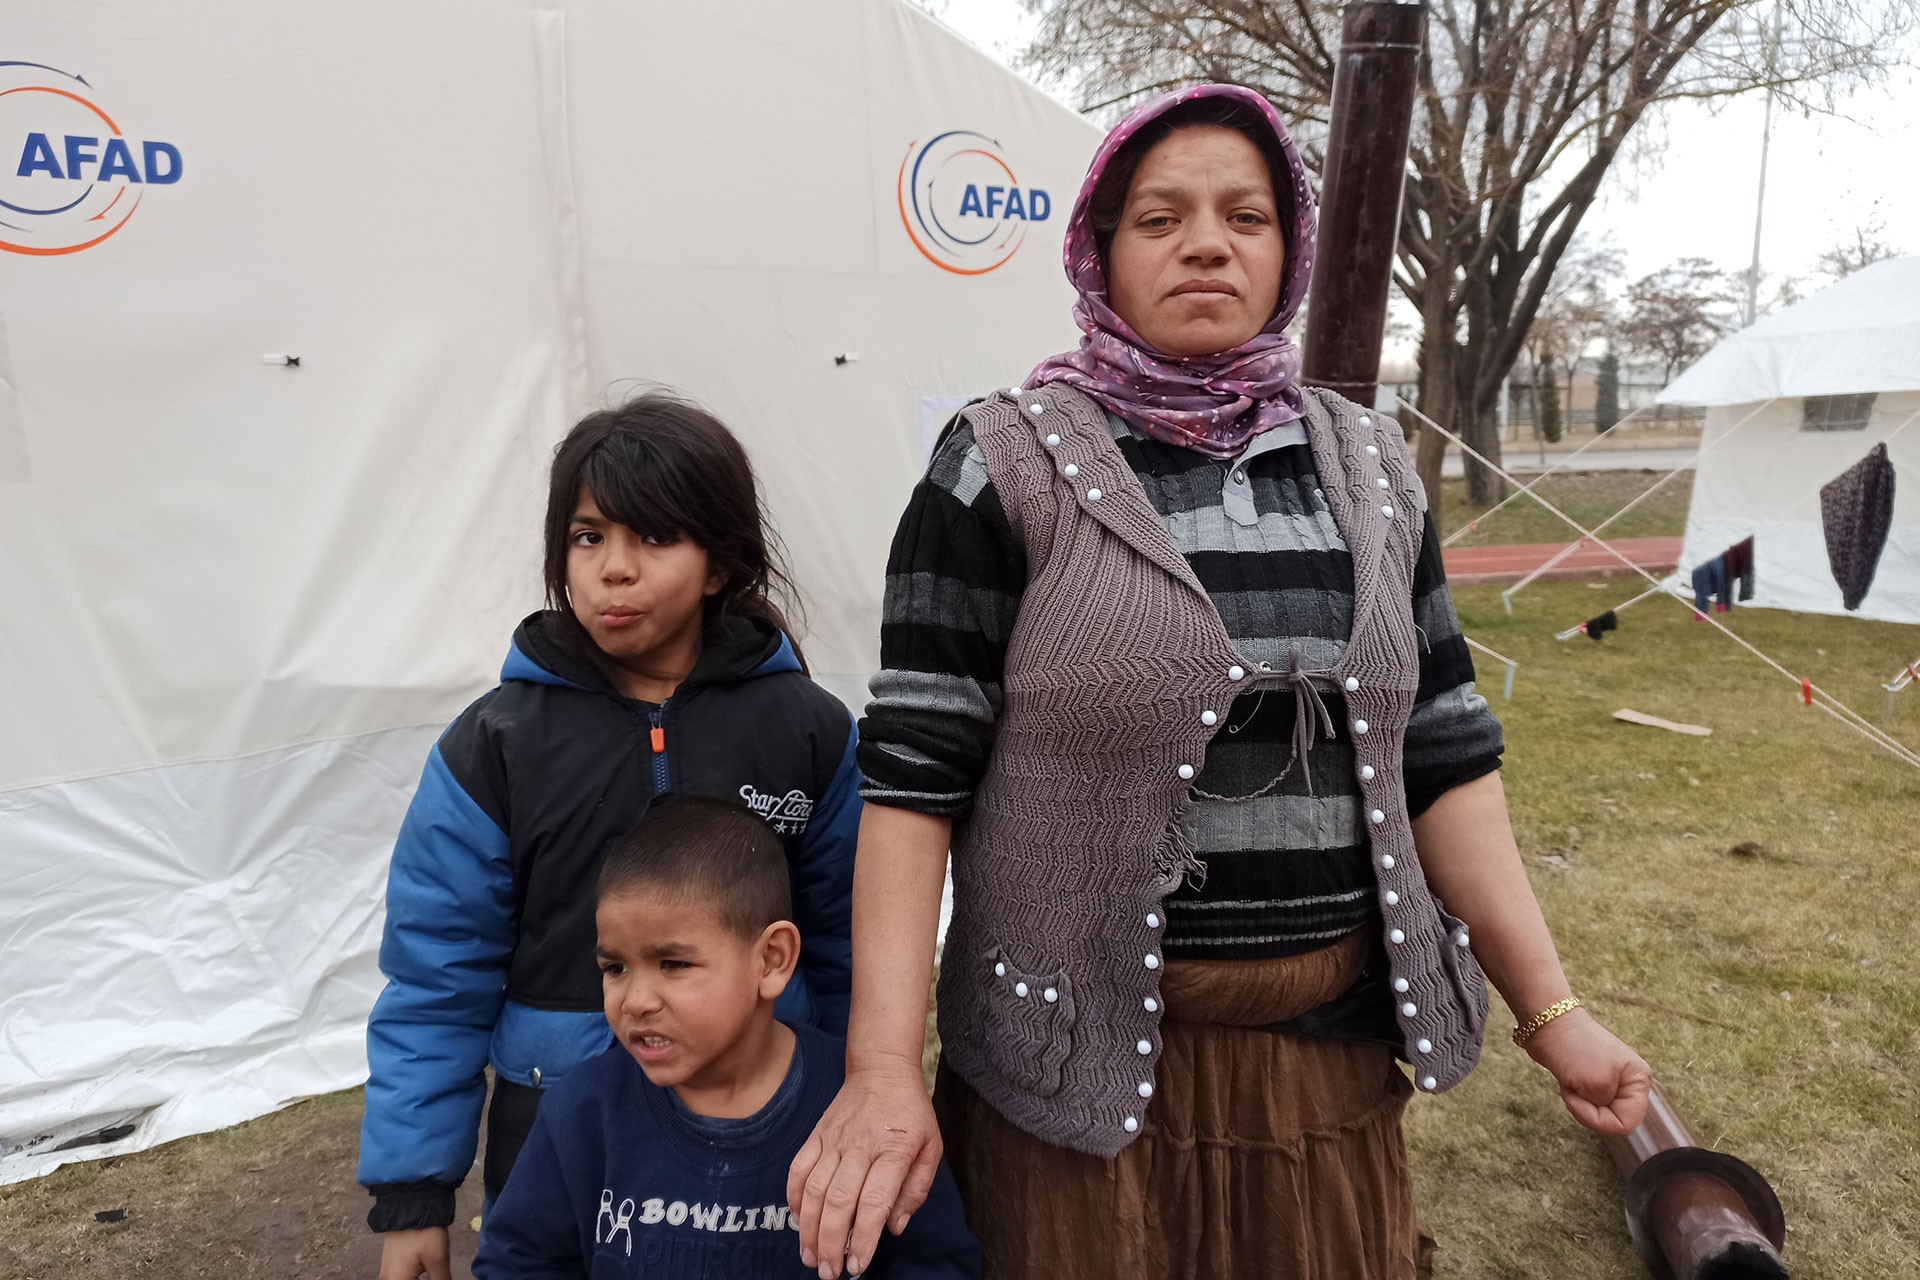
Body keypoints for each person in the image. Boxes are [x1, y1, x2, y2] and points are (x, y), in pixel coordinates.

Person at [788, 84, 1653, 1279]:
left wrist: (1556, 1016)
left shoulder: (1372, 468)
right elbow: (913, 776)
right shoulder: (1000, 464)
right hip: (1069, 1088)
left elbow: (1445, 758)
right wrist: (882, 1069)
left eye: (1246, 216)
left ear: (1287, 250)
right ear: (1099, 252)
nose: (1206, 241)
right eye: (1160, 218)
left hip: (1323, 1075)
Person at [359, 392, 864, 1280]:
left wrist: (860, 1104)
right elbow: (437, 973)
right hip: (553, 1125)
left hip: (771, 1123)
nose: (613, 570)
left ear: (720, 565)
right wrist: (414, 1197)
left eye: (655, 538)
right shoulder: (495, 744)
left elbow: (849, 946)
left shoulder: (811, 732)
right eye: (589, 536)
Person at [473, 797, 979, 1279]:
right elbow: (517, 1261)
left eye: (673, 963)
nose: (636, 1000)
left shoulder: (858, 1106)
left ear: (772, 959)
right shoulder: (583, 1113)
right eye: (615, 967)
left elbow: (934, 1262)